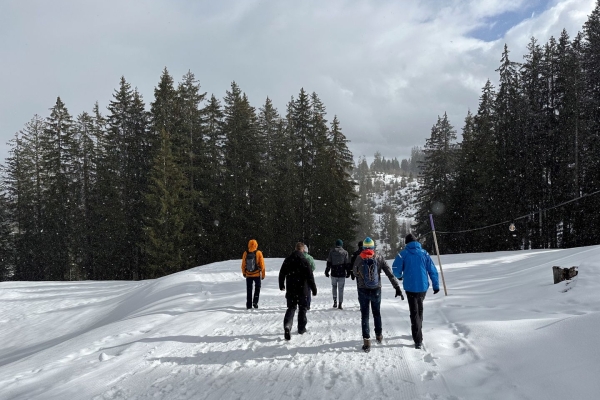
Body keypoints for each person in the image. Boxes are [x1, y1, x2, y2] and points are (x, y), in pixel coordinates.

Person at [353, 236, 404, 353]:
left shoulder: (359, 258)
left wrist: (362, 274)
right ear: (373, 247)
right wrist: (396, 287)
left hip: (362, 290)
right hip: (376, 289)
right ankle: (379, 335)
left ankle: (366, 341)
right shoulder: (379, 257)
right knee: (376, 313)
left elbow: (355, 272)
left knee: (365, 315)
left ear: (363, 247)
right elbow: (389, 273)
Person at [392, 233, 440, 350]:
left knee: (414, 312)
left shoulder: (403, 254)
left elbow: (395, 269)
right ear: (416, 242)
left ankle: (418, 339)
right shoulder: (424, 253)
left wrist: (399, 276)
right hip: (423, 287)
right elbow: (432, 270)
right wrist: (436, 285)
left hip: (410, 287)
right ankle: (418, 331)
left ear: (406, 243)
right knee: (419, 309)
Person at [279, 242, 317, 340]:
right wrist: (313, 288)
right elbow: (310, 276)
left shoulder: (288, 259)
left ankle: (287, 325)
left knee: (291, 308)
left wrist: (281, 284)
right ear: (303, 249)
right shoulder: (304, 260)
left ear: (295, 249)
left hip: (291, 288)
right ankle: (301, 328)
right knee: (302, 308)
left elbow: (282, 273)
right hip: (302, 288)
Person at [241, 239, 266, 309]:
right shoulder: (259, 253)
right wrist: (263, 275)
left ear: (248, 245)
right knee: (257, 289)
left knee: (249, 290)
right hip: (257, 275)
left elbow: (243, 264)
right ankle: (255, 302)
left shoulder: (245, 253)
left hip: (248, 275)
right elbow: (262, 265)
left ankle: (249, 305)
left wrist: (244, 272)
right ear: (256, 245)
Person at [325, 239, 350, 309]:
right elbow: (347, 263)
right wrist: (348, 272)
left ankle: (335, 301)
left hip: (334, 273)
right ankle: (340, 303)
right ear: (341, 245)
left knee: (334, 287)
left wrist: (327, 271)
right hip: (342, 273)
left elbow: (329, 262)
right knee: (341, 289)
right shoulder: (345, 252)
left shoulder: (332, 252)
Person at [303, 245, 316, 310]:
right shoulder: (310, 258)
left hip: (300, 277)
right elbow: (313, 267)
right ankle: (308, 304)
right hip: (308, 276)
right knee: (308, 290)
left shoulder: (299, 257)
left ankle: (302, 303)